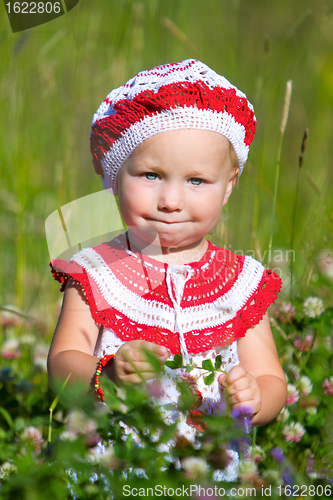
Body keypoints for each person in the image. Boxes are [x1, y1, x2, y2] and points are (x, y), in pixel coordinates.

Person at [47, 59, 287, 478]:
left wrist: (256, 398)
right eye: (151, 175)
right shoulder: (95, 273)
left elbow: (270, 377)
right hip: (116, 468)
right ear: (114, 177)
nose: (171, 200)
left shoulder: (239, 282)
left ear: (228, 186)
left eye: (197, 181)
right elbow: (62, 362)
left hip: (211, 469)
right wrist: (108, 373)